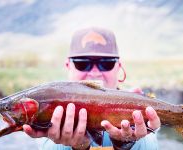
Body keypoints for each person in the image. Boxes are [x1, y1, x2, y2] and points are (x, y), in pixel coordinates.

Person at [23, 27, 161, 150]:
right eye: (82, 64)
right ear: (68, 66)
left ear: (119, 67)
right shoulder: (50, 108)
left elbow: (151, 145)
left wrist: (126, 144)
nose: (94, 72)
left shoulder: (140, 108)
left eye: (106, 64)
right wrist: (78, 147)